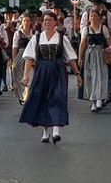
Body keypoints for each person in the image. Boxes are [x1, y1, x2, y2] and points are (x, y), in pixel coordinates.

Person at [19, 11, 80, 143]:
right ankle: (46, 131)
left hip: (57, 70)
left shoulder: (61, 38)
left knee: (57, 97)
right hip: (41, 70)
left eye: (49, 20)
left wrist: (77, 74)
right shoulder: (36, 38)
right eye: (45, 20)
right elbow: (29, 58)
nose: (47, 22)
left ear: (55, 22)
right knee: (43, 99)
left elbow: (70, 58)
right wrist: (26, 76)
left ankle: (56, 129)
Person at [79, 9, 111, 112]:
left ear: (99, 18)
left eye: (95, 16)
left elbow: (108, 42)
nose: (92, 18)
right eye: (91, 16)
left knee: (100, 76)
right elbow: (82, 44)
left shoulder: (103, 29)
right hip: (90, 54)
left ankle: (99, 98)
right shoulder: (86, 29)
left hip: (100, 54)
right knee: (90, 77)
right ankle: (92, 101)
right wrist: (80, 58)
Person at [11, 12, 35, 104]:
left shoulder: (34, 33)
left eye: (28, 21)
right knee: (18, 73)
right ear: (22, 22)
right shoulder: (18, 33)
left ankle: (27, 95)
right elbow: (14, 47)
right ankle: (22, 94)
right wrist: (14, 60)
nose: (26, 22)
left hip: (31, 55)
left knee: (29, 75)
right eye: (24, 21)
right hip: (21, 55)